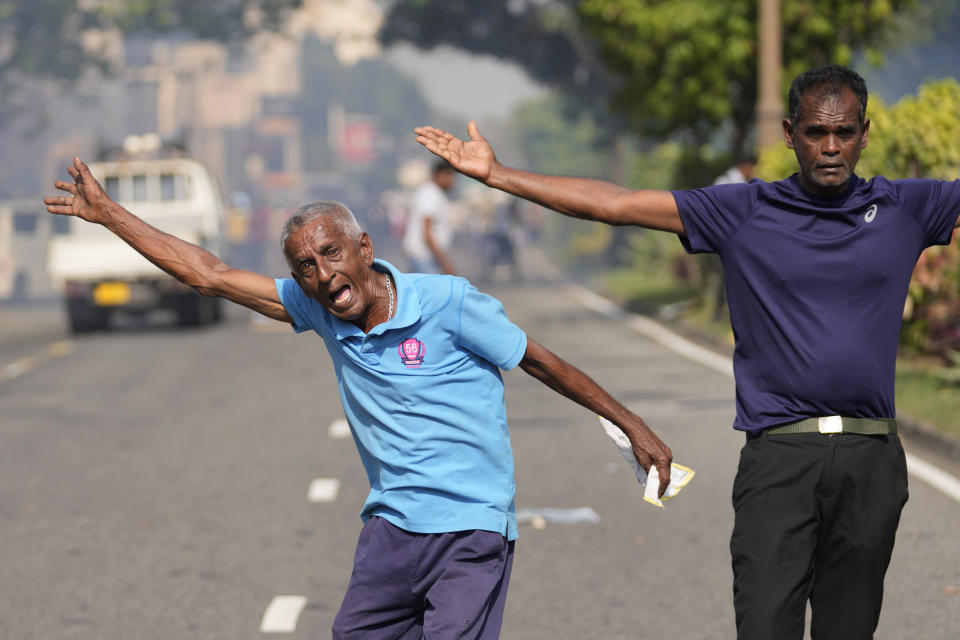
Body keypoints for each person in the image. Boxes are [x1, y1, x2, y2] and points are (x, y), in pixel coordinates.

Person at [415, 64, 960, 640]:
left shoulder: (907, 208)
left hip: (871, 458)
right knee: (764, 627)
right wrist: (499, 175)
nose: (830, 147)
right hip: (779, 460)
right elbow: (615, 204)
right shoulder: (744, 210)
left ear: (864, 133)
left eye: (844, 133)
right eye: (815, 133)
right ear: (789, 133)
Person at [44, 158, 673, 640]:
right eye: (305, 268)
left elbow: (543, 362)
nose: (322, 276)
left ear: (364, 248)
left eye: (331, 254)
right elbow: (206, 274)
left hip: (470, 531)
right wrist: (111, 216)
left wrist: (631, 423)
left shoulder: (448, 304)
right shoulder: (315, 309)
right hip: (391, 531)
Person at [403, 159, 458, 274]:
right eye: (449, 176)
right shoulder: (430, 194)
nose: (452, 181)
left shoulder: (434, 193)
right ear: (439, 175)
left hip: (426, 256)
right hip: (423, 256)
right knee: (434, 290)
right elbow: (426, 232)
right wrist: (444, 261)